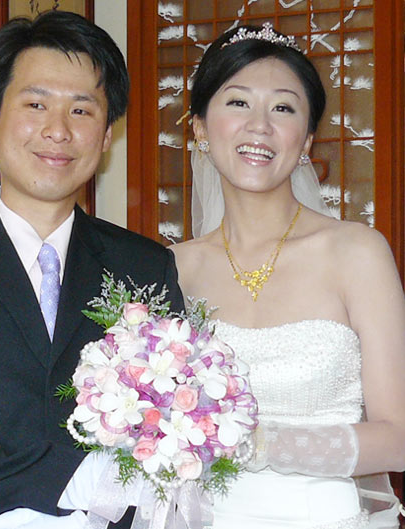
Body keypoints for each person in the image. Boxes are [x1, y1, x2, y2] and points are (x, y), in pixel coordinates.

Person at [0, 10, 183, 529]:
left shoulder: (146, 267)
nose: (58, 130)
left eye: (81, 110)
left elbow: (172, 423)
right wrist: (72, 480)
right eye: (36, 105)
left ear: (107, 134)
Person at [171, 23, 405, 528]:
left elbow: (398, 437)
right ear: (199, 129)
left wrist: (259, 444)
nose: (259, 126)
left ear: (307, 140)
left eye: (283, 108)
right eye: (238, 103)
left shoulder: (357, 253)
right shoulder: (174, 268)